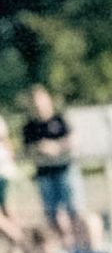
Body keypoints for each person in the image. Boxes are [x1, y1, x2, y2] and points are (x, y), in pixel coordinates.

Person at [22, 86, 78, 234]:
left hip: (64, 170)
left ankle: (77, 239)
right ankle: (60, 240)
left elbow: (72, 140)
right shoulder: (30, 126)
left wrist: (56, 147)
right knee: (51, 213)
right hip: (44, 174)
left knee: (73, 209)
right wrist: (39, 148)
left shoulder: (60, 119)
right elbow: (27, 150)